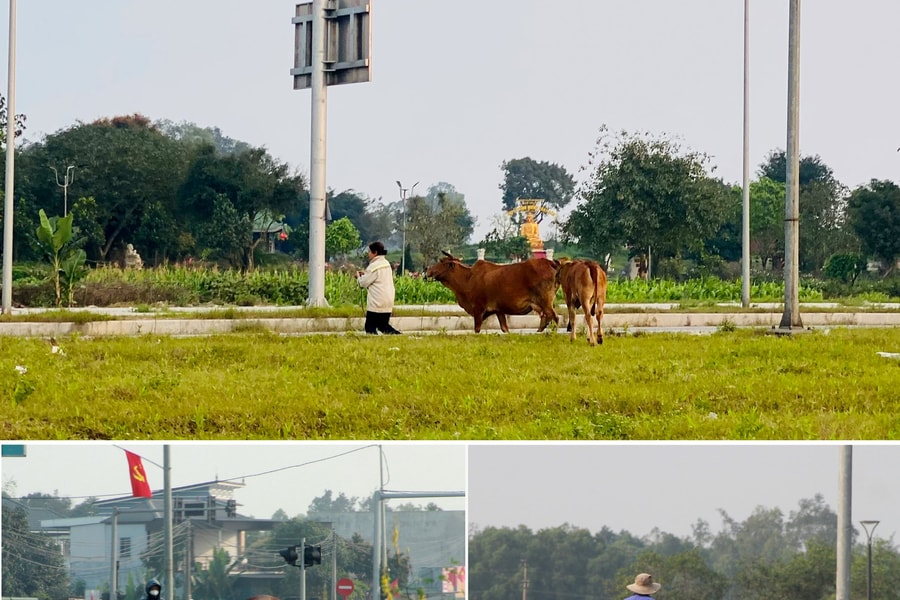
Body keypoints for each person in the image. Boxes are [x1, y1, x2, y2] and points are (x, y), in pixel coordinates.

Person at [356, 241, 401, 335]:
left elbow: (363, 284)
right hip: (388, 300)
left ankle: (373, 343)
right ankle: (399, 336)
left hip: (377, 302)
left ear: (375, 252)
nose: (368, 254)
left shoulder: (373, 266)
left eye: (369, 251)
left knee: (369, 327)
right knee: (383, 326)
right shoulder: (386, 263)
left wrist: (359, 277)